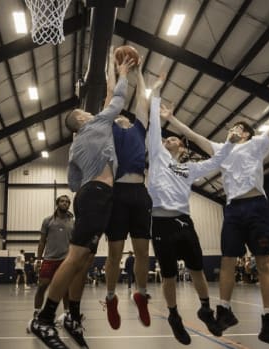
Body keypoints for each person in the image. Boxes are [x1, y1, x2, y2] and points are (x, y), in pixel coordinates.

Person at [160, 72, 269, 344]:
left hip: (256, 206)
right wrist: (171, 119)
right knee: (227, 260)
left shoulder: (257, 144)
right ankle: (225, 311)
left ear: (246, 133)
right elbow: (192, 135)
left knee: (264, 263)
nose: (233, 128)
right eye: (232, 127)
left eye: (238, 127)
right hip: (232, 210)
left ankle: (268, 318)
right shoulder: (222, 148)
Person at [29, 55, 134, 349]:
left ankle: (72, 315)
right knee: (76, 258)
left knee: (85, 260)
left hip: (87, 194)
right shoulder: (97, 123)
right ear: (82, 119)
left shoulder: (76, 147)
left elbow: (73, 182)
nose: (91, 113)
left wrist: (109, 71)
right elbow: (118, 98)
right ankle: (45, 318)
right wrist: (122, 72)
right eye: (86, 113)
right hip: (98, 194)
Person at [148, 83, 240, 344]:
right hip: (161, 222)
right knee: (168, 275)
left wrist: (230, 143)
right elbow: (154, 129)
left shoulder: (190, 168)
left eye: (173, 139)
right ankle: (174, 316)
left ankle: (205, 308)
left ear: (182, 146)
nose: (168, 140)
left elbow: (216, 161)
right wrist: (155, 96)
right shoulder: (157, 156)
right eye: (166, 139)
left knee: (197, 269)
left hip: (184, 222)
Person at [103, 50, 153, 329]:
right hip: (118, 194)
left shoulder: (139, 128)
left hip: (139, 193)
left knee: (143, 251)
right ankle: (111, 298)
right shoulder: (110, 127)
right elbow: (111, 94)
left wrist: (138, 73)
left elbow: (144, 99)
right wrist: (114, 65)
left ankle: (141, 294)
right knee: (114, 252)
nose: (123, 115)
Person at [30, 195, 74, 326]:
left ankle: (67, 315)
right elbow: (42, 241)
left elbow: (76, 242)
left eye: (67, 202)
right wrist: (39, 259)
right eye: (62, 201)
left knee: (66, 289)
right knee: (42, 286)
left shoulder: (73, 222)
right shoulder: (47, 221)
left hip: (66, 260)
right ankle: (37, 313)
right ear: (57, 203)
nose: (65, 203)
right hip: (49, 259)